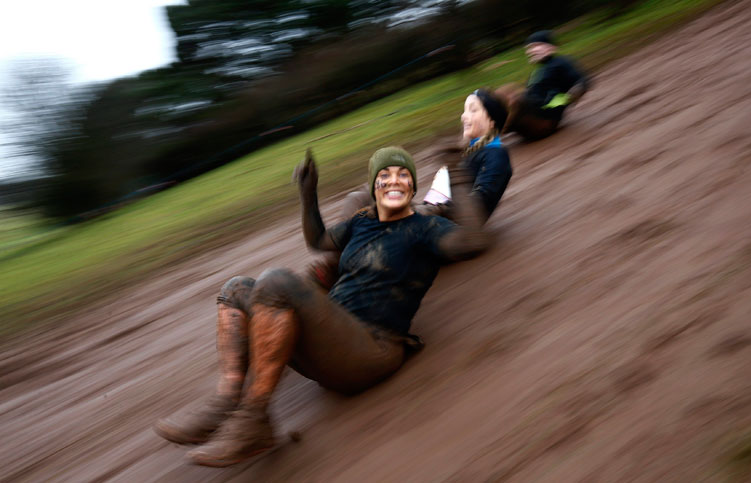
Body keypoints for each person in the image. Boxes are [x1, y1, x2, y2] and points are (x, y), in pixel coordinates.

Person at [153, 146, 489, 467]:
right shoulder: (361, 222)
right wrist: (307, 193)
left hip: (372, 348)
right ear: (374, 187)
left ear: (413, 186)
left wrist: (458, 175)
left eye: (403, 175)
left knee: (277, 281)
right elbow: (317, 240)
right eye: (384, 176)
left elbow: (472, 241)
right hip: (333, 338)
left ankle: (253, 420)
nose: (394, 181)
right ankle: (226, 401)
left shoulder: (424, 228)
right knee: (235, 288)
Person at [307, 88, 512, 289]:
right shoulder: (470, 153)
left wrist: (432, 206)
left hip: (448, 230)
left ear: (491, 121)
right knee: (366, 195)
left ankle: (337, 266)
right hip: (435, 218)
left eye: (473, 110)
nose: (464, 116)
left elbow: (479, 206)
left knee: (364, 198)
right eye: (464, 110)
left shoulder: (496, 156)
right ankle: (339, 262)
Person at [496, 30, 590, 140]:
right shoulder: (537, 72)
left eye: (537, 45)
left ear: (551, 48)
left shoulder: (560, 62)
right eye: (529, 48)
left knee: (509, 93)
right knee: (493, 99)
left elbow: (582, 81)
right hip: (530, 124)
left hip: (545, 120)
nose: (531, 50)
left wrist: (574, 92)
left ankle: (494, 129)